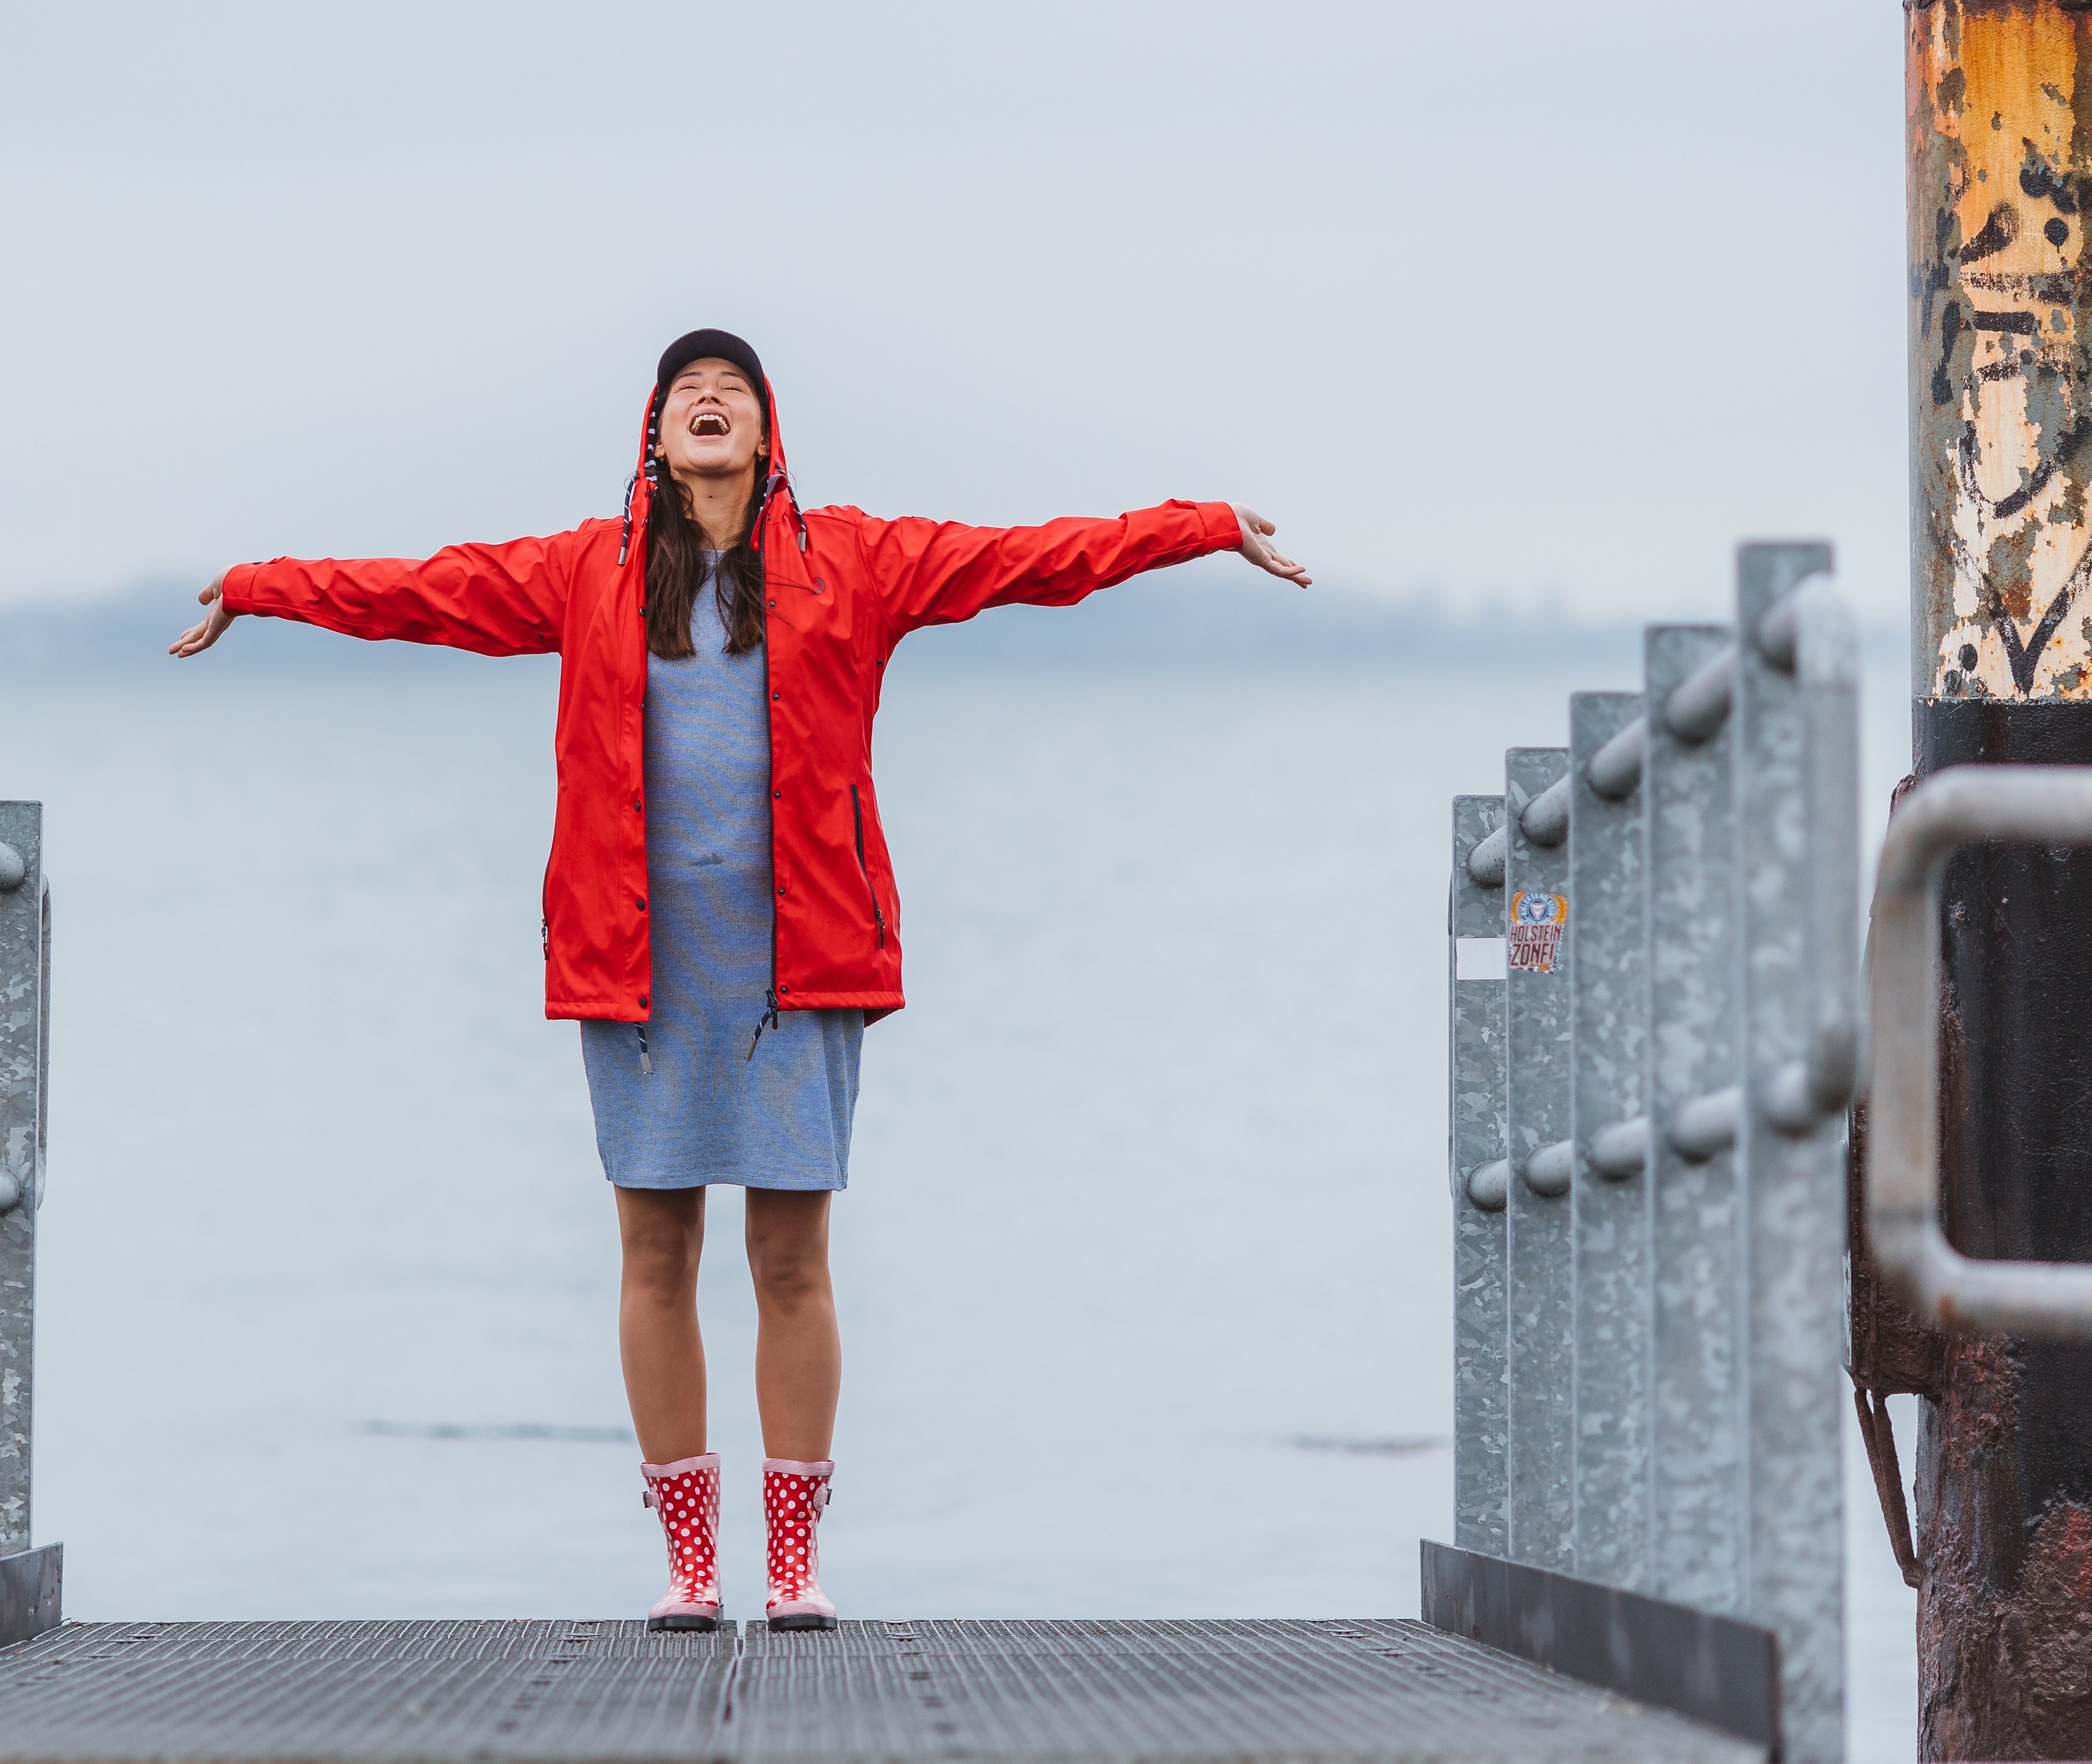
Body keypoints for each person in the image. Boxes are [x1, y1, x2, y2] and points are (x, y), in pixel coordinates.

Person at [170, 329, 1309, 1631]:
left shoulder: (858, 562)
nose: (708, 399)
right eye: (683, 391)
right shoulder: (579, 574)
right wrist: (257, 587)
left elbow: (1032, 559)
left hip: (800, 960)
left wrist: (1207, 524)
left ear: (769, 435)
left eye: (734, 390)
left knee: (790, 1256)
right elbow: (415, 592)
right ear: (655, 437)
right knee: (655, 1253)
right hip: (638, 962)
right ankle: (692, 1566)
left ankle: (798, 1564)